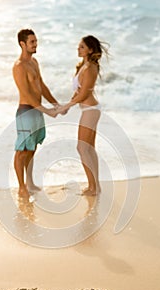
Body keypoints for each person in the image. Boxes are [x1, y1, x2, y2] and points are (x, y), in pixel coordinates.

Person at [57, 35, 109, 196]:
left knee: (82, 148)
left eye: (82, 47)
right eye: (78, 46)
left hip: (90, 110)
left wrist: (66, 106)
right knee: (89, 149)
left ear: (90, 50)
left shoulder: (91, 68)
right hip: (89, 110)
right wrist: (67, 105)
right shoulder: (82, 66)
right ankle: (95, 187)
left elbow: (84, 94)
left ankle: (92, 187)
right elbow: (78, 92)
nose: (78, 49)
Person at [13, 29, 59, 198]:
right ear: (22, 44)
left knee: (32, 148)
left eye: (36, 41)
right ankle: (21, 187)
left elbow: (41, 86)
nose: (35, 45)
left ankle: (29, 183)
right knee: (22, 151)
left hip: (37, 112)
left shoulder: (35, 62)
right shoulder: (19, 67)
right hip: (26, 112)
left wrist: (55, 103)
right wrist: (46, 110)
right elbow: (26, 94)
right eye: (32, 42)